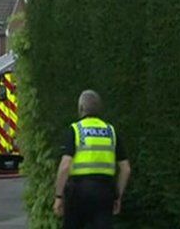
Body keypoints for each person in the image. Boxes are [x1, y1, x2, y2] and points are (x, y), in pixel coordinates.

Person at [53, 90, 131, 229]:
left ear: (81, 108)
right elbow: (126, 169)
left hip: (78, 192)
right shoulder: (111, 131)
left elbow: (65, 166)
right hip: (104, 192)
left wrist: (58, 197)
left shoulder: (76, 130)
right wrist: (117, 195)